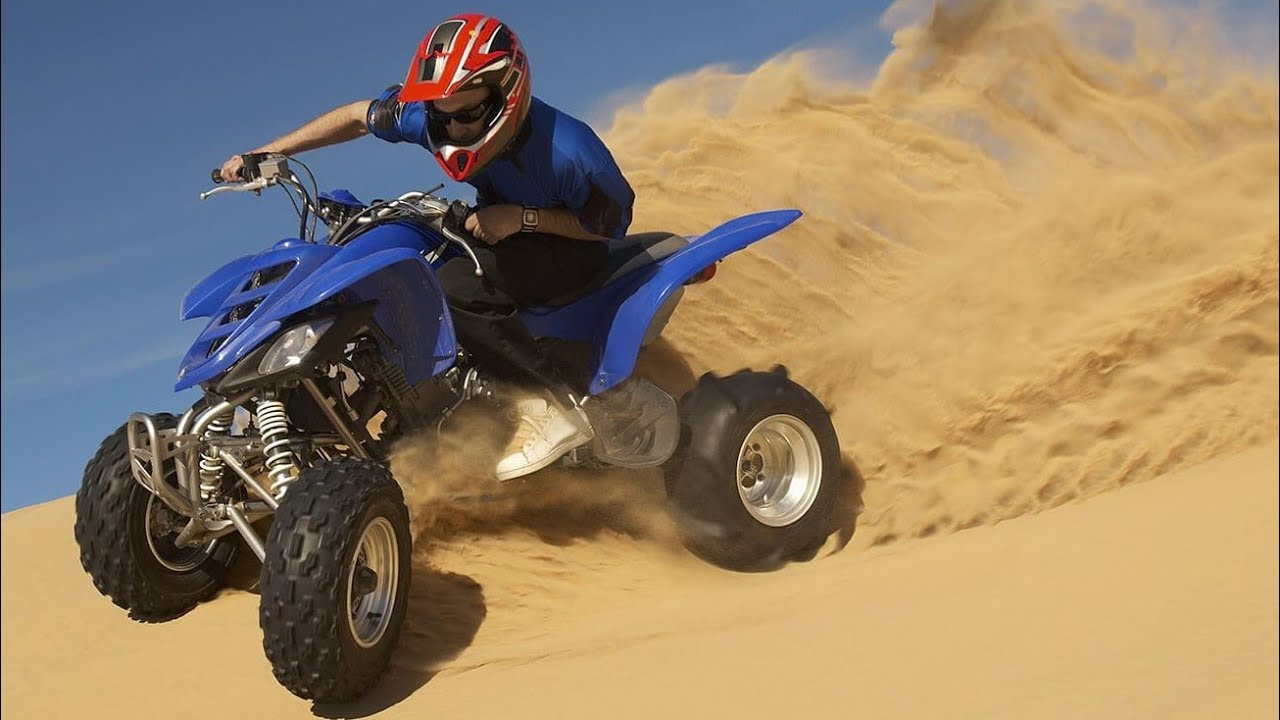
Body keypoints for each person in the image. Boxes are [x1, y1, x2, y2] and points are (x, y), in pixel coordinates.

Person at [219, 14, 636, 481]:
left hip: (567, 246)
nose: (453, 127)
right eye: (441, 114)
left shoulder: (571, 151)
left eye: (466, 114)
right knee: (399, 280)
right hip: (494, 230)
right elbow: (359, 116)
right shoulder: (435, 116)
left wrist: (523, 217)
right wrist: (271, 152)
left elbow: (609, 226)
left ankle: (550, 406)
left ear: (508, 92)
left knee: (453, 287)